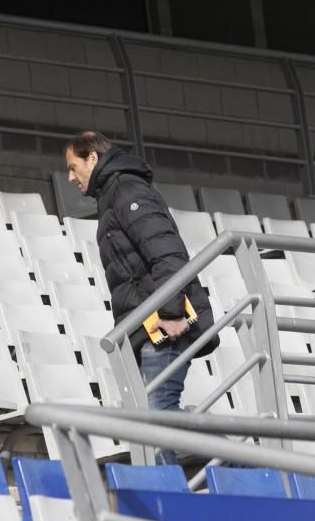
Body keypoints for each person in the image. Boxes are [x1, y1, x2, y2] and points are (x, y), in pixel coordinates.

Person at [64, 131, 218, 462]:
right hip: (148, 326)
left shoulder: (126, 189)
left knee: (157, 414)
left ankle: (241, 464)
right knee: (155, 417)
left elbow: (167, 251)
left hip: (164, 324)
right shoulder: (114, 195)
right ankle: (181, 483)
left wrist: (173, 312)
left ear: (92, 158)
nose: (69, 176)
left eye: (73, 166)